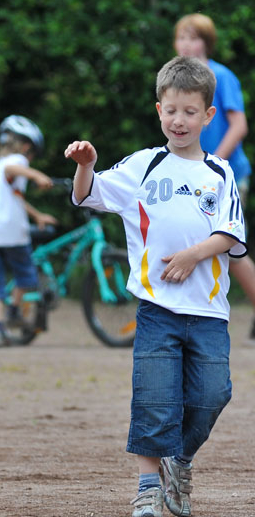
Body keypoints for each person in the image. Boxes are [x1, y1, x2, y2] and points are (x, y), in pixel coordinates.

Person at [65, 56, 247, 517]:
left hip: (208, 312)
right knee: (154, 398)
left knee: (212, 396)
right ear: (158, 110)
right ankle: (148, 489)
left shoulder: (220, 172)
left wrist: (193, 255)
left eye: (190, 111)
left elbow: (231, 234)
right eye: (171, 110)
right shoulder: (144, 165)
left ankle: (178, 461)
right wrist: (87, 166)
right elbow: (88, 194)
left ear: (208, 115)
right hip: (156, 308)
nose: (178, 120)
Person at [173, 13, 255, 339]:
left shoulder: (220, 76)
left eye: (193, 38)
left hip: (226, 176)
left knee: (230, 247)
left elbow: (239, 126)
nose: (186, 44)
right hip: (194, 178)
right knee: (200, 243)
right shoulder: (178, 81)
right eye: (181, 38)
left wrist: (214, 164)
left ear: (206, 43)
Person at [0, 115, 57, 348]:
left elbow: (15, 196)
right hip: (12, 233)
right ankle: (12, 310)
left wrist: (36, 215)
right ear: (27, 147)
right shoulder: (17, 161)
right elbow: (12, 168)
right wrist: (37, 175)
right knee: (26, 276)